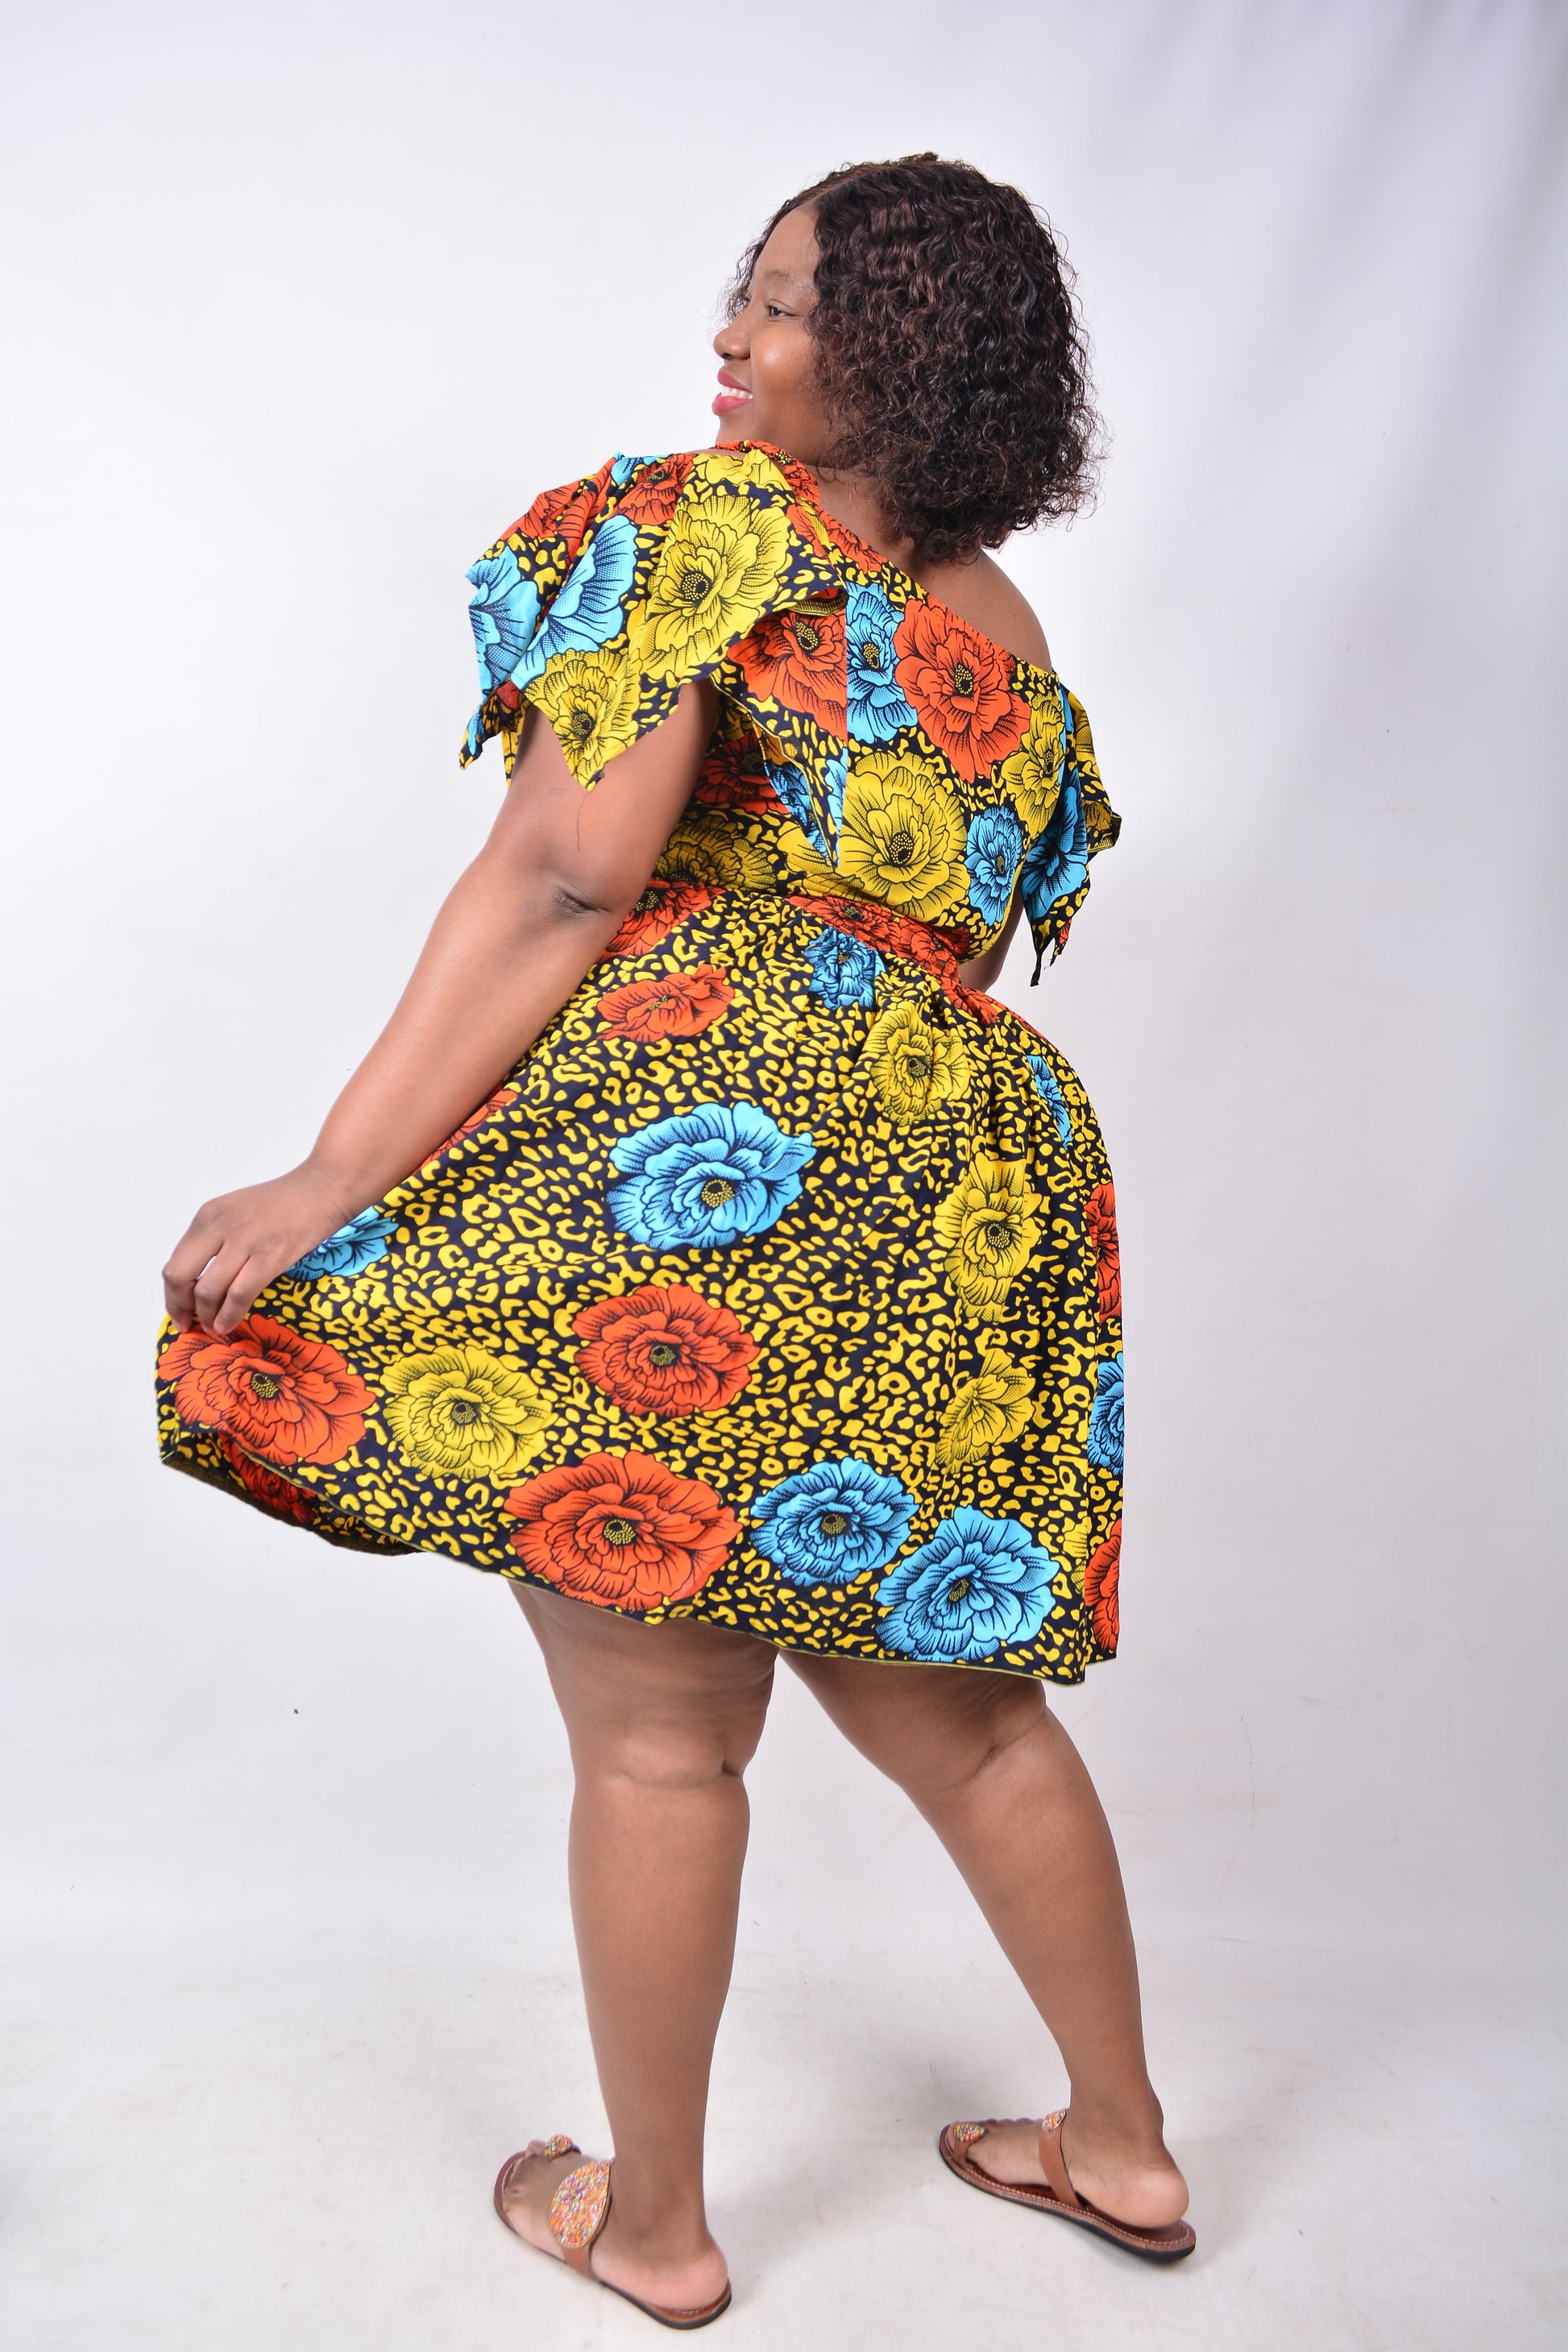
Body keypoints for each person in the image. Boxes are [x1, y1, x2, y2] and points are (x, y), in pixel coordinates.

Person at [156, 153, 1193, 2329]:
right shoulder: (1000, 627)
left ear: (900, 349)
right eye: (748, 290)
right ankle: (1117, 2144)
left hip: (711, 1168)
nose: (732, 334)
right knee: (970, 1721)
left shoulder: (699, 529)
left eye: (786, 303)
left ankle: (653, 2230)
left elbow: (565, 870)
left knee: (660, 1742)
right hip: (945, 1197)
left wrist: (329, 1176)